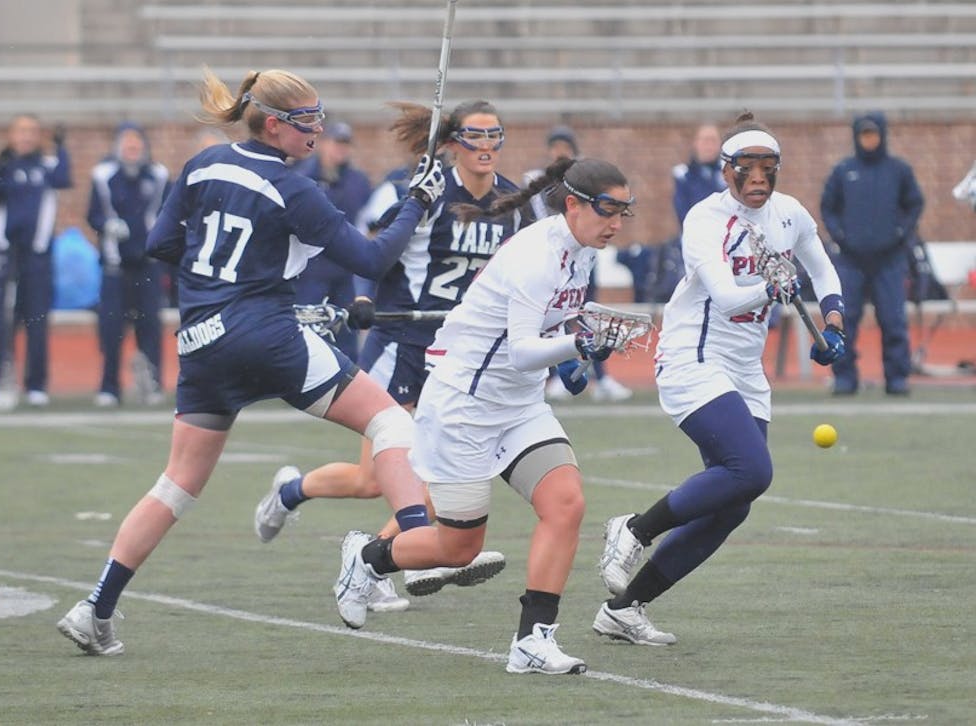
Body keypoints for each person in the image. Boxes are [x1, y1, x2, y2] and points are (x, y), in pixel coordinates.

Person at [55, 66, 447, 656]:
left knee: (177, 485)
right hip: (263, 333)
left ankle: (96, 608)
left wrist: (239, 284)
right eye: (307, 120)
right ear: (272, 124)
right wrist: (417, 201)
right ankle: (420, 546)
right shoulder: (294, 188)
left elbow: (162, 245)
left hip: (200, 341)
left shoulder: (202, 164)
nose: (316, 130)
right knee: (391, 422)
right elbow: (371, 258)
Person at [332, 157, 637, 675]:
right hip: (464, 405)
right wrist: (579, 342)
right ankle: (367, 558)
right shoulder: (536, 255)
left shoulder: (582, 251)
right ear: (573, 204)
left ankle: (533, 639)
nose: (615, 222)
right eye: (607, 209)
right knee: (457, 546)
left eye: (623, 211)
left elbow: (556, 325)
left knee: (566, 504)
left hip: (518, 404)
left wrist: (576, 359)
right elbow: (521, 349)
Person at [255, 100, 520, 611]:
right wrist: (363, 298)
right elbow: (369, 248)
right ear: (451, 142)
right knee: (372, 481)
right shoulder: (419, 190)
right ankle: (293, 494)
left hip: (461, 355)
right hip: (402, 345)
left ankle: (373, 564)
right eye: (475, 136)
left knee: (431, 473)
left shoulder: (515, 204)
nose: (485, 146)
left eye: (495, 136)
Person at [595, 112, 846, 647]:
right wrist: (772, 289)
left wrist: (834, 320)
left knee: (733, 504)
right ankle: (634, 529)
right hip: (693, 356)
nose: (757, 179)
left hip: (744, 370)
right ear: (725, 169)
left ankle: (624, 608)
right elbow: (730, 297)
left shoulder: (790, 214)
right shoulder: (705, 219)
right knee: (752, 468)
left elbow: (822, 269)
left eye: (767, 169)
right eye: (746, 168)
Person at [526, 125, 633, 403]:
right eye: (555, 146)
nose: (559, 151)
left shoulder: (587, 177)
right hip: (548, 259)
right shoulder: (538, 181)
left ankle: (600, 374)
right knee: (547, 316)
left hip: (582, 257)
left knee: (585, 312)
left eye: (565, 146)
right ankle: (552, 376)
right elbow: (542, 218)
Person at [820, 111, 924, 396]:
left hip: (889, 260)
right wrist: (840, 236)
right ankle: (844, 378)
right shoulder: (843, 170)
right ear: (856, 137)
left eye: (873, 134)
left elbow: (915, 204)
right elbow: (827, 207)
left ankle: (897, 378)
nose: (869, 139)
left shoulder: (898, 170)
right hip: (850, 260)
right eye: (864, 134)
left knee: (893, 320)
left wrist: (901, 234)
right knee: (846, 320)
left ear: (882, 135)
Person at [0, 114, 72, 411]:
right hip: (7, 255)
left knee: (37, 321)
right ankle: (2, 381)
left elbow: (64, 178)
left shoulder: (46, 166)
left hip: (38, 256)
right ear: (11, 135)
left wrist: (61, 147)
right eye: (20, 131)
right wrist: (0, 168)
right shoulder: (2, 166)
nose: (26, 137)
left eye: (32, 131)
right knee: (5, 321)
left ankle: (36, 384)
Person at [87, 123, 171, 407]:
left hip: (147, 264)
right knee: (111, 328)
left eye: (137, 144)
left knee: (150, 325)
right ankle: (109, 386)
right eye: (127, 144)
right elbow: (93, 215)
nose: (132, 149)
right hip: (115, 265)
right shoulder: (103, 176)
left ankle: (152, 383)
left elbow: (166, 212)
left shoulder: (158, 175)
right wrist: (107, 225)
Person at [291, 121, 373, 360]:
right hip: (310, 271)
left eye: (345, 144)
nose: (341, 149)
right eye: (336, 143)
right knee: (307, 332)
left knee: (346, 333)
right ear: (323, 144)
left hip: (344, 271)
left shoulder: (358, 181)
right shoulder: (302, 176)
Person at [672, 122, 726, 227]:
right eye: (705, 141)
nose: (709, 146)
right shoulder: (684, 176)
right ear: (695, 143)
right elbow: (683, 212)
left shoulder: (728, 174)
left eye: (713, 141)